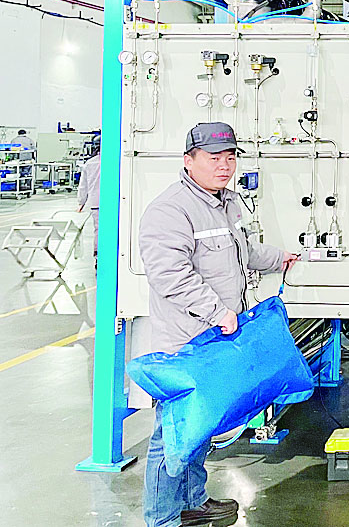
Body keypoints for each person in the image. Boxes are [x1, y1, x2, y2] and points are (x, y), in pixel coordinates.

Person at [139, 122, 299, 527]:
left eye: (229, 157)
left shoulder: (227, 202)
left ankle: (192, 503)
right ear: (188, 160)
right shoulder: (170, 209)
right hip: (187, 343)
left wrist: (278, 257)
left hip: (216, 341)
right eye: (213, 157)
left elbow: (241, 251)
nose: (224, 165)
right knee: (173, 435)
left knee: (201, 428)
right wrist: (216, 311)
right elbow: (170, 274)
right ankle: (162, 519)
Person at [77, 136, 101, 260]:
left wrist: (81, 202)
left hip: (95, 202)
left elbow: (83, 186)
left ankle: (98, 256)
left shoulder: (90, 163)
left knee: (98, 229)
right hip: (115, 202)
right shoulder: (115, 161)